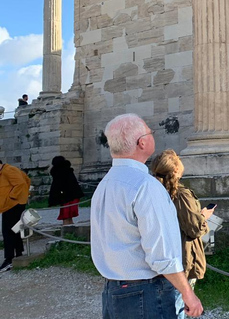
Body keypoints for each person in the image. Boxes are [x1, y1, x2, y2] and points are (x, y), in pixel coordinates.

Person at [91, 114, 203, 318]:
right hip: (147, 291)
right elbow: (161, 255)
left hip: (113, 289)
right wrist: (188, 294)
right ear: (141, 142)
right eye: (150, 132)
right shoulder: (145, 186)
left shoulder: (104, 185)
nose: (153, 136)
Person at [151, 149, 213, 319]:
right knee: (178, 307)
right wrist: (203, 217)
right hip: (181, 259)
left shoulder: (152, 192)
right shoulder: (181, 195)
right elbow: (194, 229)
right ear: (176, 170)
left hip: (160, 258)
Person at [0, 159, 31, 272]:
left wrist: (12, 198)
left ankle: (9, 259)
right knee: (15, 230)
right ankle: (18, 253)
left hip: (12, 205)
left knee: (7, 232)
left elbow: (21, 183)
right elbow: (26, 179)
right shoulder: (6, 171)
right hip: (12, 204)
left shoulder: (9, 170)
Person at [48, 156, 85, 226]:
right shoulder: (68, 170)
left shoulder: (59, 172)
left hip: (65, 196)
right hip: (72, 195)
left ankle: (67, 227)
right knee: (68, 213)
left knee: (66, 213)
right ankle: (70, 227)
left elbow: (57, 185)